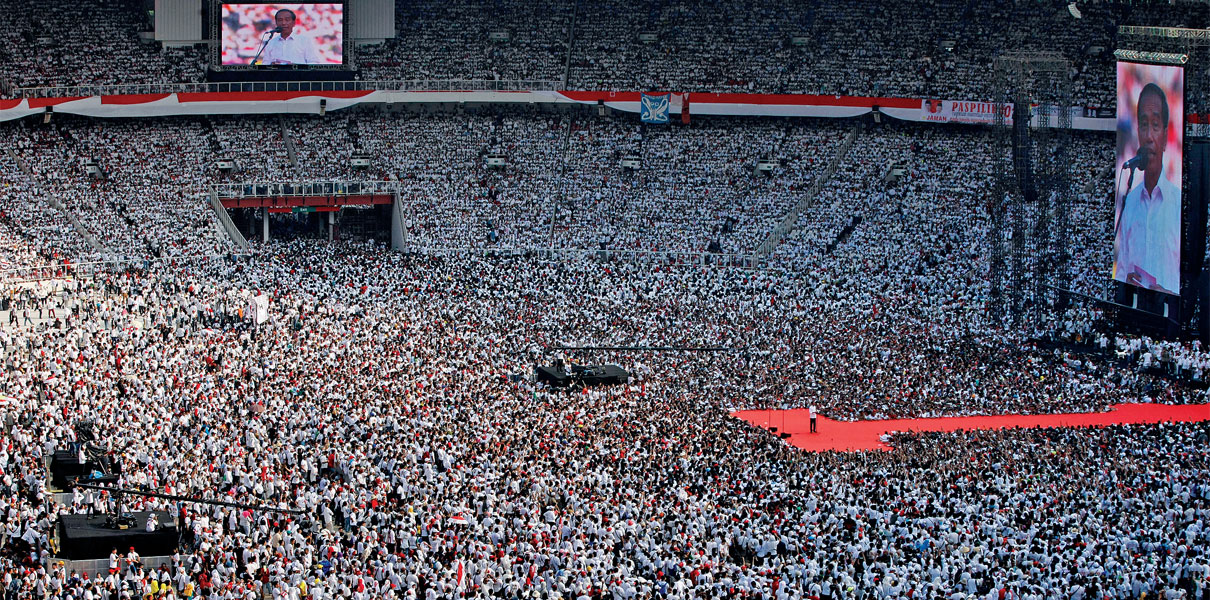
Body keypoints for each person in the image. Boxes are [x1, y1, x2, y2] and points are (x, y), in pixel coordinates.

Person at [1115, 82, 1181, 295]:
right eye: (1144, 125)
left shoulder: (1178, 203)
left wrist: (1169, 295)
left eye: (1155, 125)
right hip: (1135, 315)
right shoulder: (1130, 202)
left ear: (1164, 136)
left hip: (1170, 319)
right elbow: (1121, 269)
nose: (1149, 136)